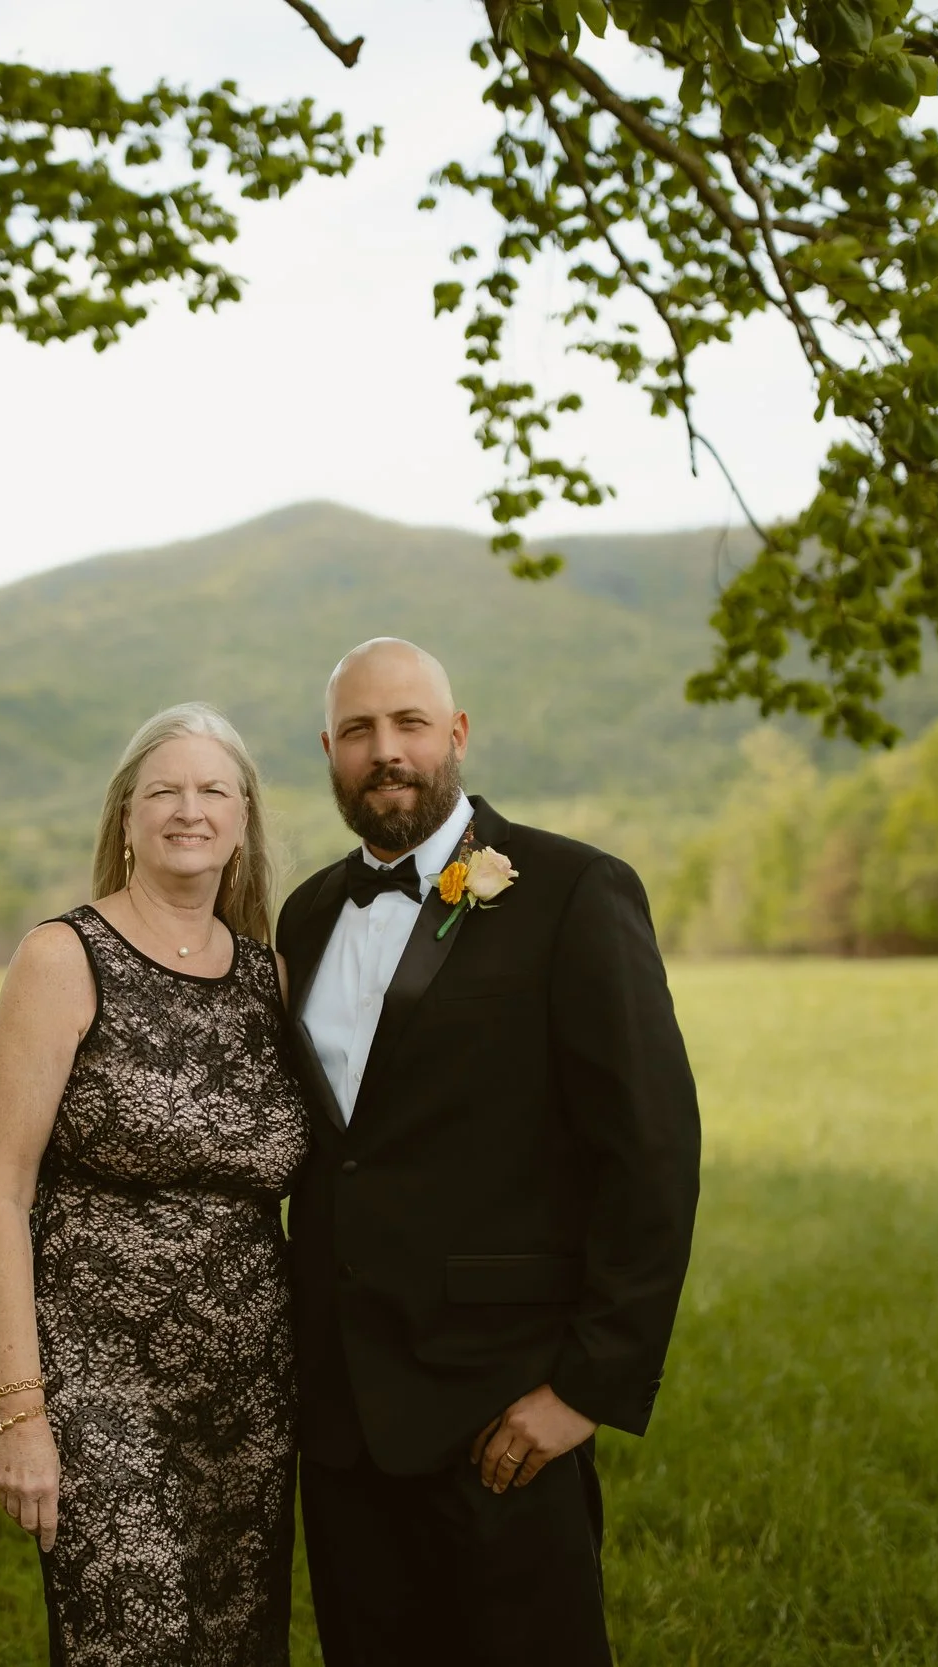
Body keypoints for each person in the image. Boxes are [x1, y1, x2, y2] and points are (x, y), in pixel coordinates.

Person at [279, 638, 701, 1667]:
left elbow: (650, 1148)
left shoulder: (573, 890)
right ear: (328, 749)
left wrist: (587, 1388)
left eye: (410, 723)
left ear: (456, 735)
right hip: (339, 1414)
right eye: (360, 731)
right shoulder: (304, 913)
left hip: (502, 1406)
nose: (388, 752)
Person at [0, 702, 313, 1667]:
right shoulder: (63, 958)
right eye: (163, 789)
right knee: (132, 1641)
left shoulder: (270, 978)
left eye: (214, 790)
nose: (188, 809)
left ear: (244, 821)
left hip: (251, 1394)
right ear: (125, 816)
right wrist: (21, 1411)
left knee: (239, 1645)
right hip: (99, 1391)